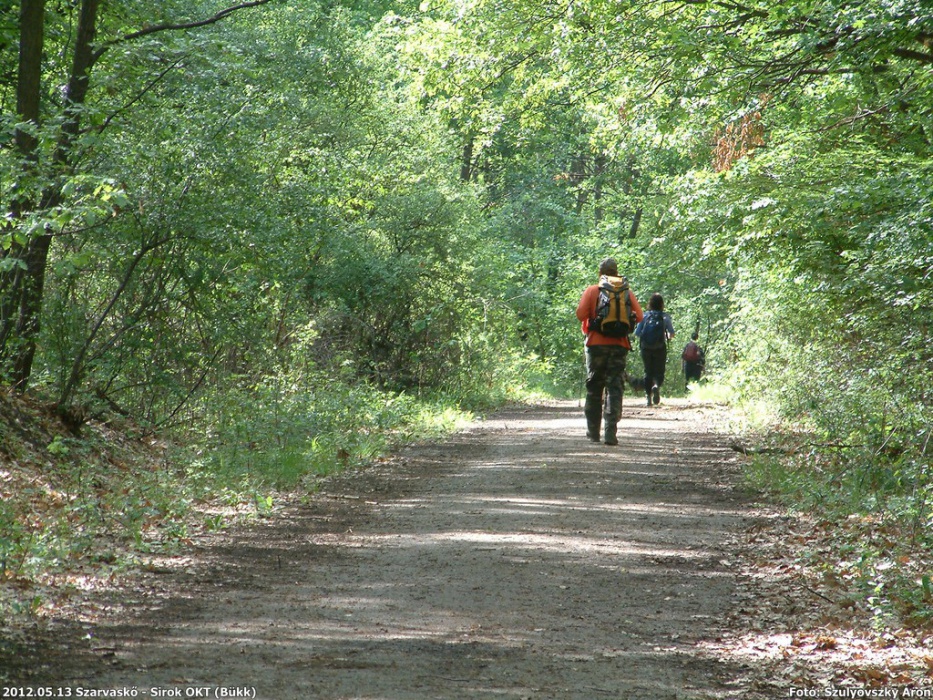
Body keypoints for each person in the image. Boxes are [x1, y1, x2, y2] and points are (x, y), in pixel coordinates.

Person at [575, 257, 644, 446]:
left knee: (594, 386)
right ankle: (610, 433)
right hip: (619, 346)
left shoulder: (592, 290)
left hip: (595, 344)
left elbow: (580, 314)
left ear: (600, 273)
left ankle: (593, 433)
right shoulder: (626, 292)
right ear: (617, 272)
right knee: (615, 387)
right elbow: (639, 316)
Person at [635, 293, 675, 406]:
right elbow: (671, 334)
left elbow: (637, 333)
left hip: (645, 347)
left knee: (648, 371)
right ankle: (656, 386)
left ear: (650, 303)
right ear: (662, 304)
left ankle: (648, 398)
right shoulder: (665, 317)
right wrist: (664, 335)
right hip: (660, 347)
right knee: (659, 371)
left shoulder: (645, 316)